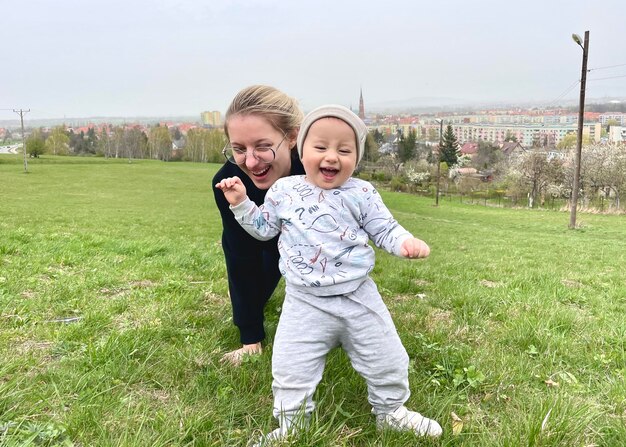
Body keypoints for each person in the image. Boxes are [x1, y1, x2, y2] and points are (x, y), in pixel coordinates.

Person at [216, 105, 443, 444]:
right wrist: (242, 203)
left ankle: (392, 412)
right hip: (304, 302)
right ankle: (292, 426)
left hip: (358, 297)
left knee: (387, 358)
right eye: (321, 147)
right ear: (302, 149)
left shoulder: (363, 193)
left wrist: (405, 242)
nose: (332, 157)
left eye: (344, 149)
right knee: (291, 368)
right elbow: (263, 230)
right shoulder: (283, 192)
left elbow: (384, 228)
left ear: (357, 157)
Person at [212, 85, 304, 366]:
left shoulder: (316, 171)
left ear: (291, 137)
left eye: (263, 146)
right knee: (257, 283)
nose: (250, 162)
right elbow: (241, 257)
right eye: (239, 149)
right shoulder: (228, 184)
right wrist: (250, 337)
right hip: (262, 244)